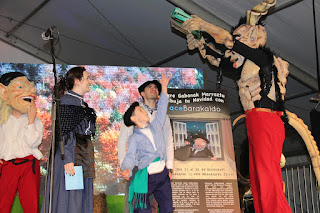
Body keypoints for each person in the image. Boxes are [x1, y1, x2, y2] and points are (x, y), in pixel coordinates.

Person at [180, 0, 292, 212]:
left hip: (267, 119)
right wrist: (200, 42)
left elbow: (228, 42)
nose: (235, 42)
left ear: (253, 37)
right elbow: (218, 59)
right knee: (257, 179)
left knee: (268, 177)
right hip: (255, 121)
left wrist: (204, 25)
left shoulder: (262, 58)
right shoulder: (247, 66)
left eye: (240, 37)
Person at [41, 66, 96, 213]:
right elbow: (65, 132)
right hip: (72, 156)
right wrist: (68, 160)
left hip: (81, 156)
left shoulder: (79, 102)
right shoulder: (67, 101)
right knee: (71, 199)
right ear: (77, 81)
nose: (90, 82)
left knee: (79, 198)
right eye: (87, 78)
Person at [118, 79, 174, 213]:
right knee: (141, 206)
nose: (144, 112)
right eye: (140, 111)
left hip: (163, 174)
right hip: (146, 175)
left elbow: (161, 109)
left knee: (167, 206)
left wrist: (164, 88)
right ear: (134, 119)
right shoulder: (134, 138)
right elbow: (130, 156)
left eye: (156, 87)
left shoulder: (156, 124)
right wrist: (126, 168)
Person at [0, 72, 43, 213]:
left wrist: (31, 120)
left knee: (31, 205)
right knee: (2, 204)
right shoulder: (3, 120)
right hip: (6, 165)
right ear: (4, 92)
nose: (31, 91)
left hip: (28, 164)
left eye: (31, 87)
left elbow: (32, 143)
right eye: (20, 87)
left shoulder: (36, 121)